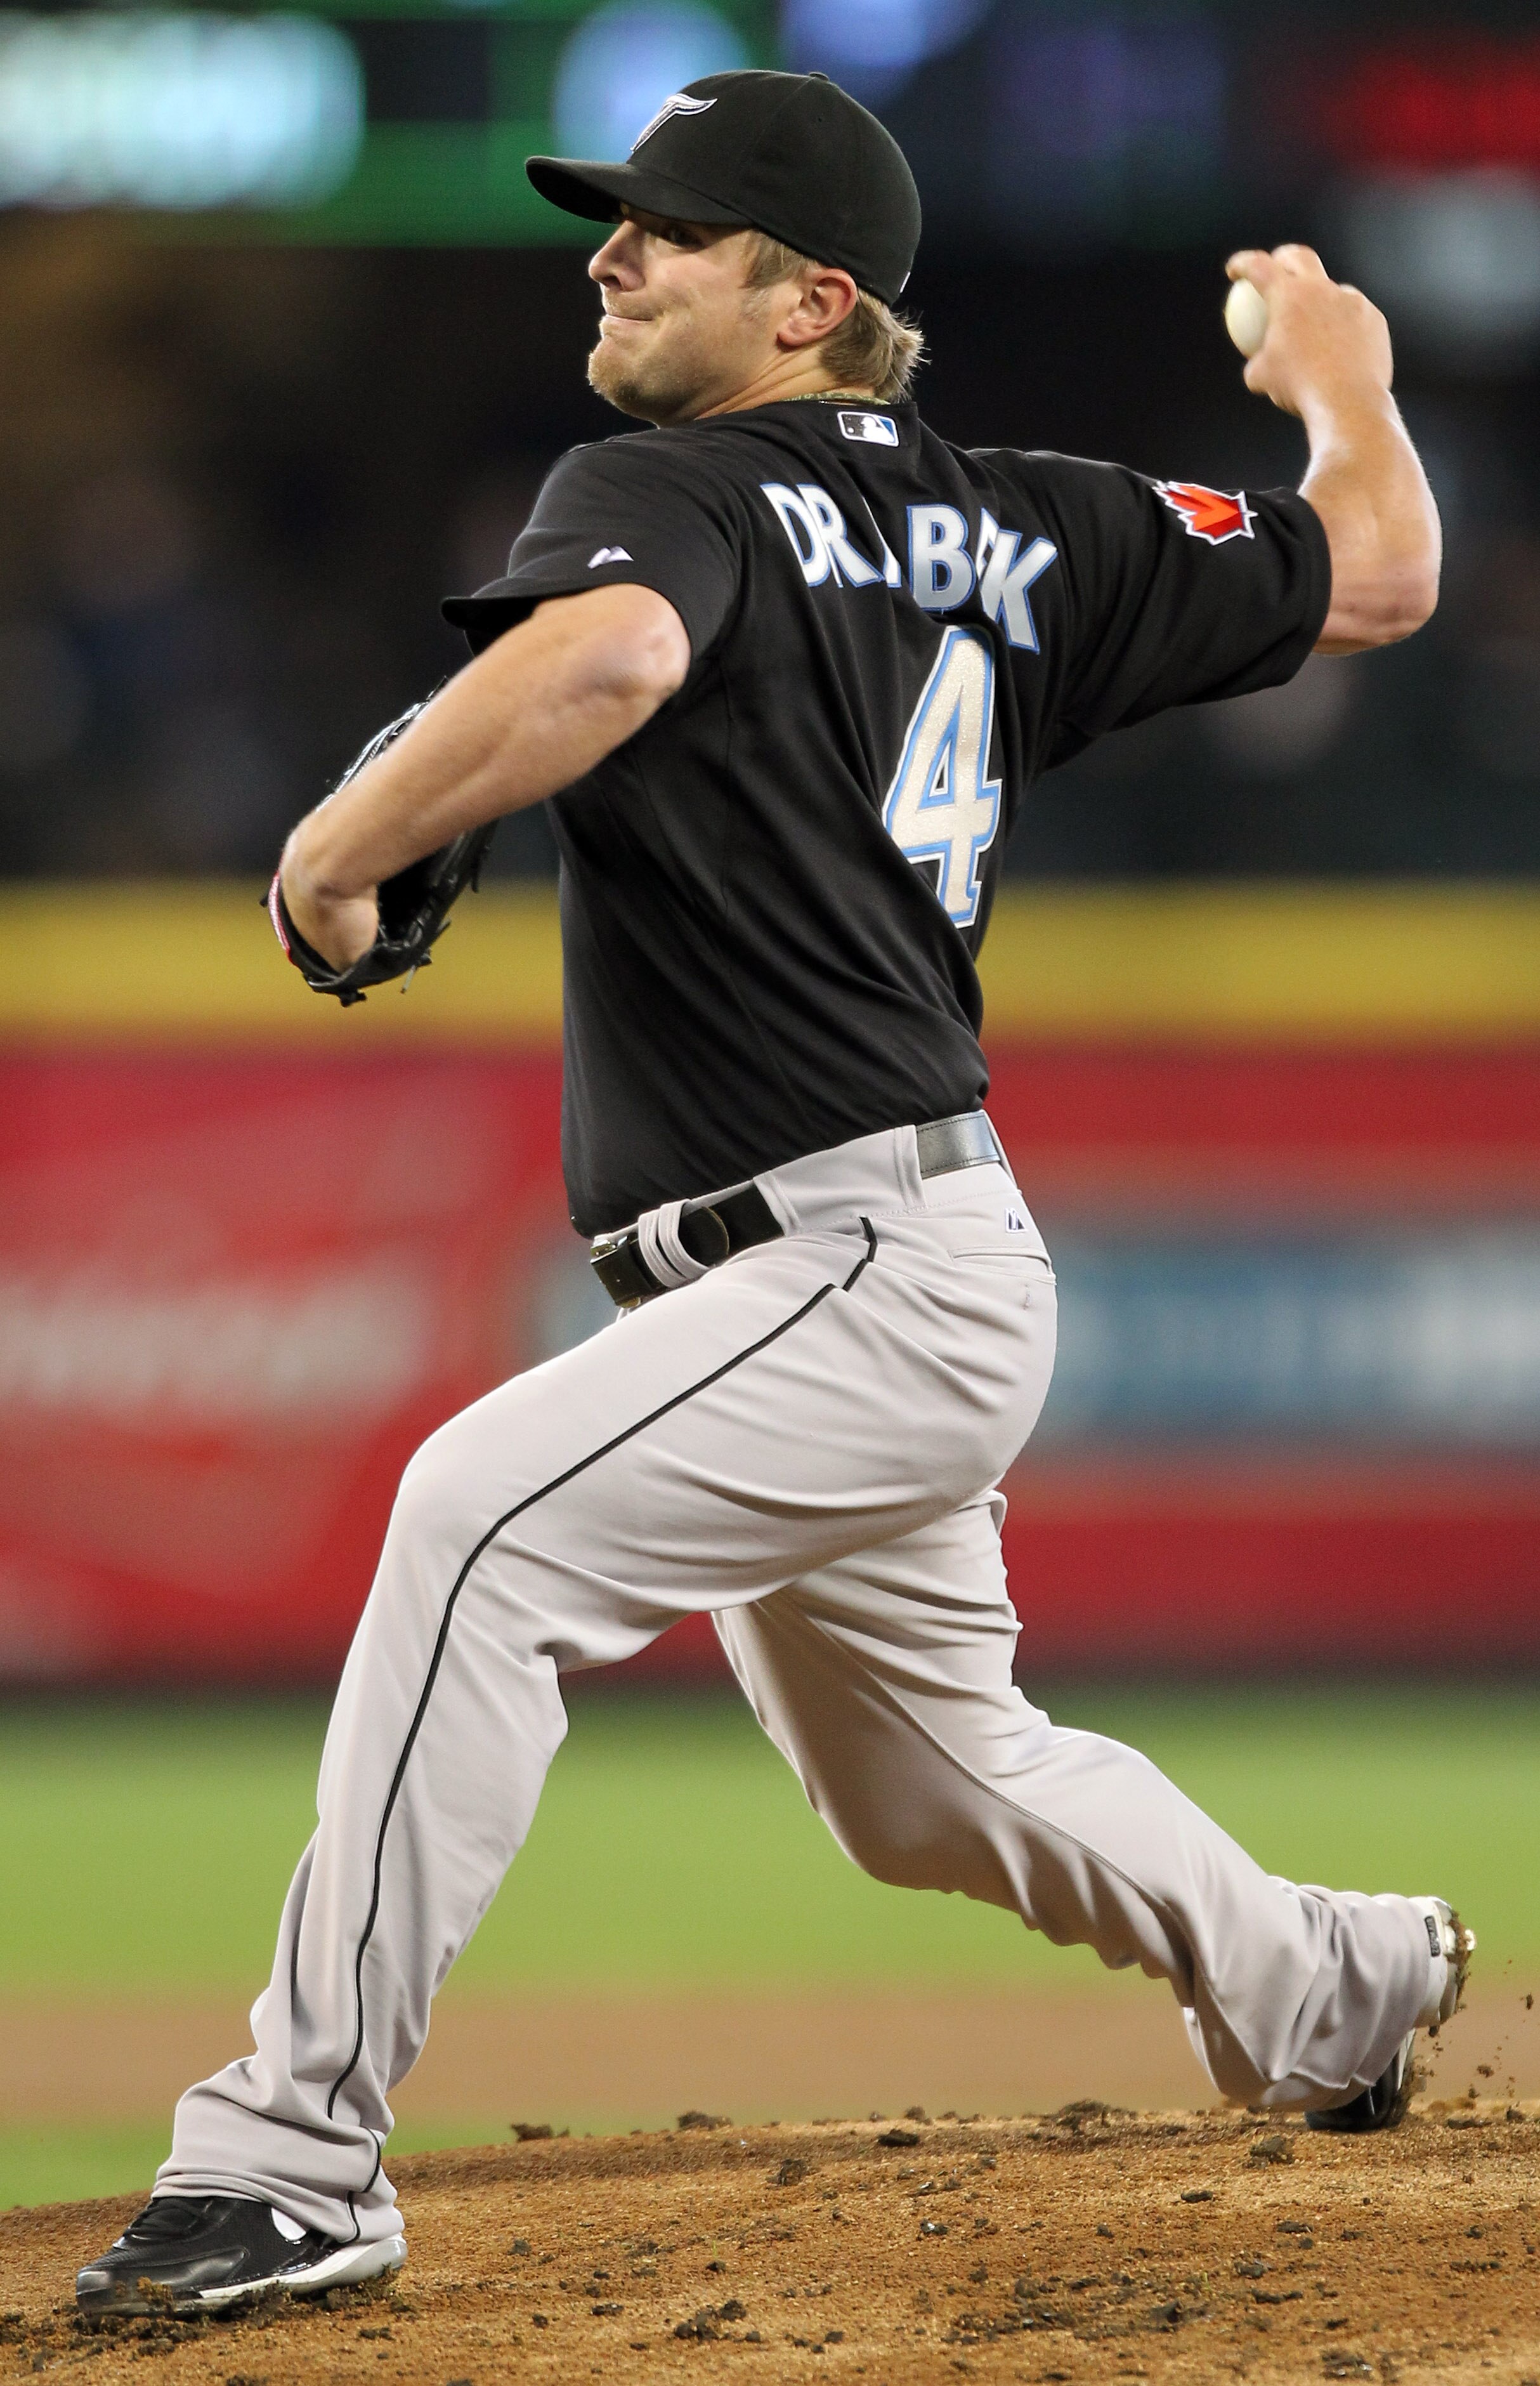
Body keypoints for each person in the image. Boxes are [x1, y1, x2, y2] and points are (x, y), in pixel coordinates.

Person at [79, 69, 1467, 2316]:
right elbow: (1383, 571)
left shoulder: (666, 484)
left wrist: (336, 847)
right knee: (921, 1783)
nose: (608, 255)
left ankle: (293, 2153)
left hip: (851, 1259)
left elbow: (614, 653)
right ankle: (1327, 1984)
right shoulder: (1030, 519)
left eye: (667, 230)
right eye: (610, 221)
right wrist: (1344, 381)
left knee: (475, 1524)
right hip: (895, 1255)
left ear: (811, 297)